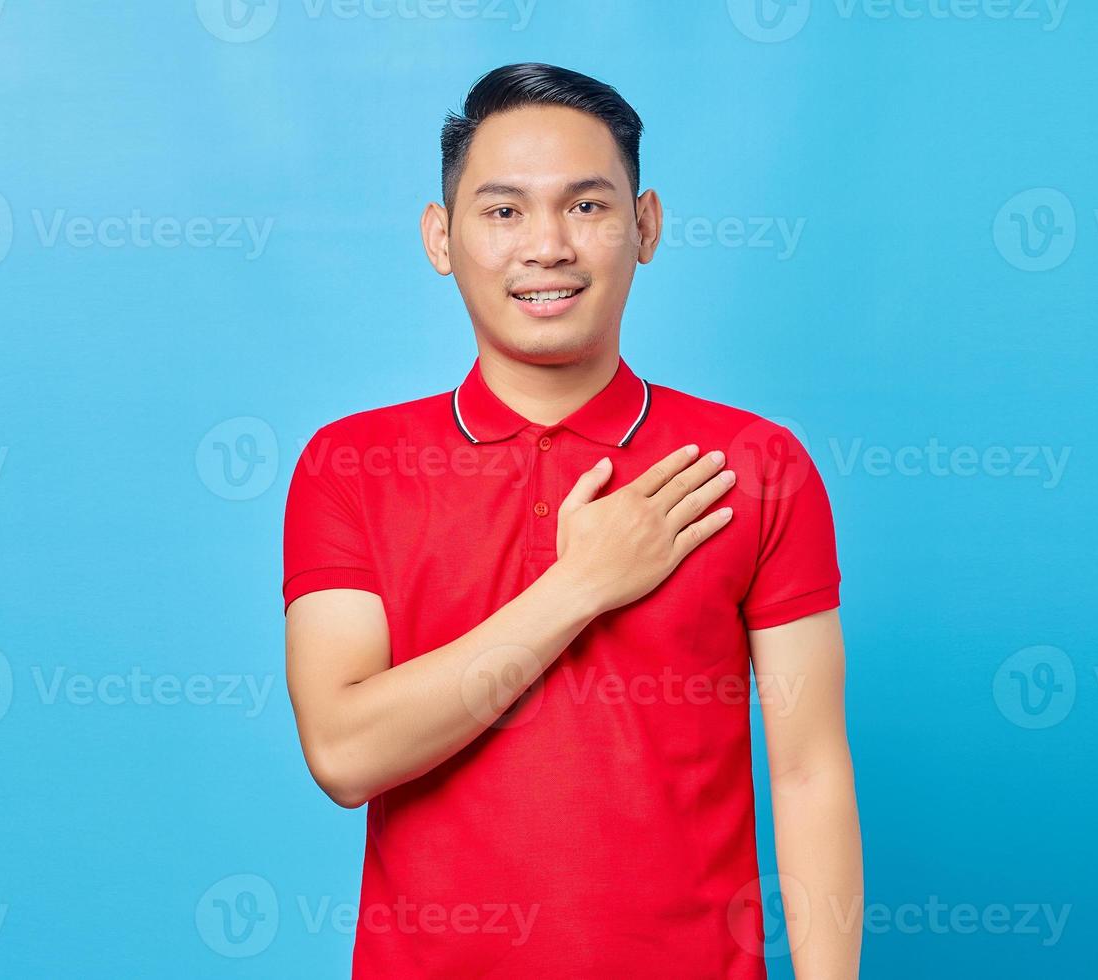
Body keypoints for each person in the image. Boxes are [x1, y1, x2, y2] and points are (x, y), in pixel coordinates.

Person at [282, 62, 861, 979]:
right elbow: (347, 754)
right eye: (503, 211)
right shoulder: (351, 465)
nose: (547, 245)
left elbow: (809, 771)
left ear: (646, 227)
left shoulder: (753, 466)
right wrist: (582, 584)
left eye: (587, 206)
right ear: (442, 237)